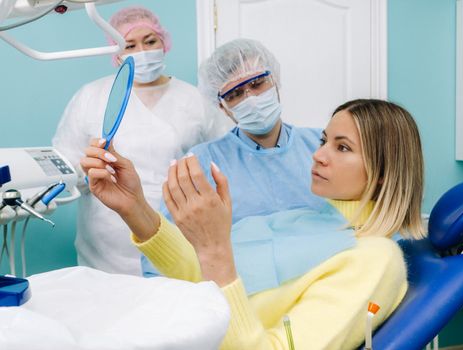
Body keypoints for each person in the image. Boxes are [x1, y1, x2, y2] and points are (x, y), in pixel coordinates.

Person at [80, 98, 425, 349]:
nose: (318, 154)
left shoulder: (374, 260)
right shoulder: (308, 220)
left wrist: (216, 248)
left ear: (382, 174)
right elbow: (198, 274)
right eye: (323, 141)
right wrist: (134, 206)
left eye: (343, 147)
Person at [52, 6, 227, 275]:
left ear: (163, 42)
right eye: (129, 45)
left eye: (150, 41)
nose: (142, 52)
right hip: (105, 248)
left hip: (178, 239)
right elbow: (65, 164)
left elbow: (219, 163)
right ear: (116, 53)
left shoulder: (194, 100)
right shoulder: (92, 97)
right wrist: (87, 172)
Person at [141, 38, 328, 276]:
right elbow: (170, 244)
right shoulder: (201, 163)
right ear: (222, 106)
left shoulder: (322, 144)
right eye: (235, 94)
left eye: (258, 83)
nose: (251, 98)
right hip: (246, 294)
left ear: (275, 81)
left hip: (325, 281)